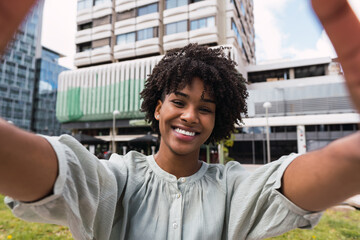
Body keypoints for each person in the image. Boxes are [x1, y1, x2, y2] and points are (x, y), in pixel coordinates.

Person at [0, 0, 359, 239]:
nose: (190, 116)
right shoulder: (119, 177)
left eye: (205, 108)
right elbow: (67, 174)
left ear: (217, 119)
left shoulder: (233, 186)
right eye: (178, 101)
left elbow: (288, 184)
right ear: (157, 109)